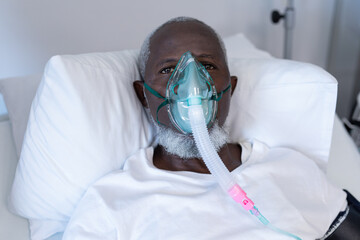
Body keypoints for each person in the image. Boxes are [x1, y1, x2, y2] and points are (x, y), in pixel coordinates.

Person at [62, 17, 359, 239]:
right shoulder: (110, 203)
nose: (191, 84)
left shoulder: (290, 169)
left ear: (230, 89)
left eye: (208, 66)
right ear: (143, 96)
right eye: (168, 70)